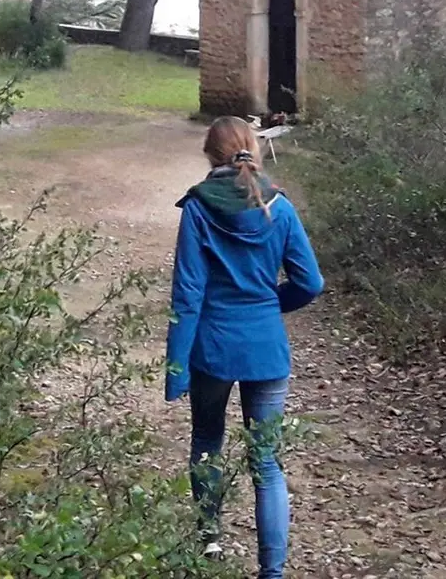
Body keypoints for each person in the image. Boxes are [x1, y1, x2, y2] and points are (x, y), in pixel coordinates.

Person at [165, 115, 324, 579]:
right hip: (266, 349)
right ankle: (272, 572)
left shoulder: (198, 209)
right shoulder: (281, 208)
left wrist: (176, 366)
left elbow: (188, 293)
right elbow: (310, 282)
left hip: (212, 348)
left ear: (210, 154)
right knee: (268, 461)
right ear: (252, 149)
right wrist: (270, 305)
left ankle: (209, 541)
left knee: (207, 443)